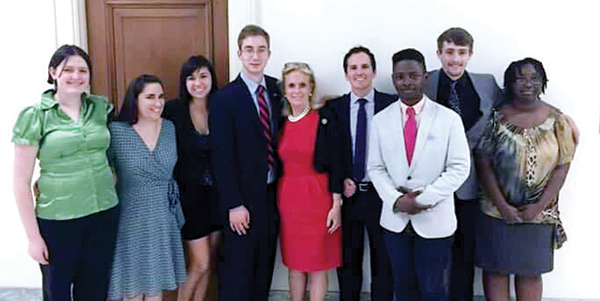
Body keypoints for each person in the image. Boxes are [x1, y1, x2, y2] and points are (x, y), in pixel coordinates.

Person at [12, 44, 119, 301]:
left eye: (83, 70)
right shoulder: (35, 116)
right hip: (58, 221)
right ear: (53, 73)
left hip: (103, 214)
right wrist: (33, 238)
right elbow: (20, 181)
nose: (76, 76)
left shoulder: (100, 108)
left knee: (95, 289)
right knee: (58, 292)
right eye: (68, 69)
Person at [367, 48, 470, 301]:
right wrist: (397, 199)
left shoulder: (449, 119)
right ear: (394, 80)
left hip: (435, 220)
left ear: (425, 77)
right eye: (401, 77)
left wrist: (422, 199)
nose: (407, 82)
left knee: (433, 289)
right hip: (395, 221)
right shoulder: (380, 121)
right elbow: (375, 168)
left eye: (413, 76)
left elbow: (459, 167)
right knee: (403, 287)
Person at [475, 58, 576, 301]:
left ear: (543, 82)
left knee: (530, 272)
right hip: (497, 211)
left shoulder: (557, 120)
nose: (527, 83)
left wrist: (538, 207)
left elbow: (562, 167)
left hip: (539, 214)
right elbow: (483, 163)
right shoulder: (495, 117)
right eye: (520, 78)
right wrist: (502, 206)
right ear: (509, 83)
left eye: (534, 78)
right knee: (496, 269)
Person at [423, 27, 503, 301]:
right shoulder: (424, 81)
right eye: (449, 52)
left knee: (465, 250)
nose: (454, 60)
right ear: (439, 54)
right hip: (431, 182)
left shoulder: (487, 83)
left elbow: (518, 103)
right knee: (433, 252)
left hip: (470, 183)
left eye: (461, 53)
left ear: (470, 54)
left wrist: (560, 115)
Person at [210, 24, 283, 301]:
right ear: (239, 54)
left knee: (264, 267)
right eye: (249, 50)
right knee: (238, 270)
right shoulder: (224, 99)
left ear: (269, 53)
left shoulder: (278, 90)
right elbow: (221, 156)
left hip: (272, 195)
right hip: (240, 200)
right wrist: (233, 203)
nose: (255, 56)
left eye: (261, 50)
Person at [107, 75, 186, 300]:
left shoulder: (169, 128)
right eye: (150, 97)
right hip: (129, 220)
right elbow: (102, 171)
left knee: (155, 290)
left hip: (162, 217)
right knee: (131, 290)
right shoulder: (117, 132)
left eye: (161, 96)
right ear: (135, 99)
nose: (158, 103)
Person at [325, 46, 394, 301]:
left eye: (365, 67)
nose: (359, 72)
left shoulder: (391, 104)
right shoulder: (334, 108)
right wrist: (341, 179)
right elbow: (331, 154)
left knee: (383, 261)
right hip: (349, 197)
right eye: (353, 68)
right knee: (348, 262)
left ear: (374, 71)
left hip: (382, 196)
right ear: (346, 74)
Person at [277, 62, 342, 301]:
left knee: (317, 263)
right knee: (295, 264)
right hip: (289, 200)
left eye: (302, 85)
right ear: (284, 90)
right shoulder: (280, 123)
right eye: (291, 85)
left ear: (311, 88)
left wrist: (336, 204)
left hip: (319, 199)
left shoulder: (324, 119)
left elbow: (336, 163)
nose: (296, 90)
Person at [163, 55, 222, 301]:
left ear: (211, 79)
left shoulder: (221, 107)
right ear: (184, 82)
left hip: (218, 198)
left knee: (209, 263)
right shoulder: (174, 110)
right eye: (191, 78)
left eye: (203, 76)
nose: (198, 83)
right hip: (189, 200)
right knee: (200, 263)